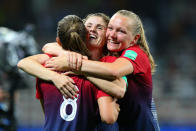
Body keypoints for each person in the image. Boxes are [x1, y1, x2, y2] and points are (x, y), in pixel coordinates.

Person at [43, 10, 160, 131]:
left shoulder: (135, 52)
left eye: (121, 31)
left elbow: (114, 71)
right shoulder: (105, 59)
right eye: (111, 28)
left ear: (135, 39)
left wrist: (73, 65)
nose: (112, 35)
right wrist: (65, 54)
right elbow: (43, 50)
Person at [18, 15, 126, 131]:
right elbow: (24, 63)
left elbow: (118, 92)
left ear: (107, 36)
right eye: (88, 26)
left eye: (99, 27)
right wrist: (55, 77)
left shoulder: (112, 64)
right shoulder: (55, 62)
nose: (92, 29)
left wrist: (79, 68)